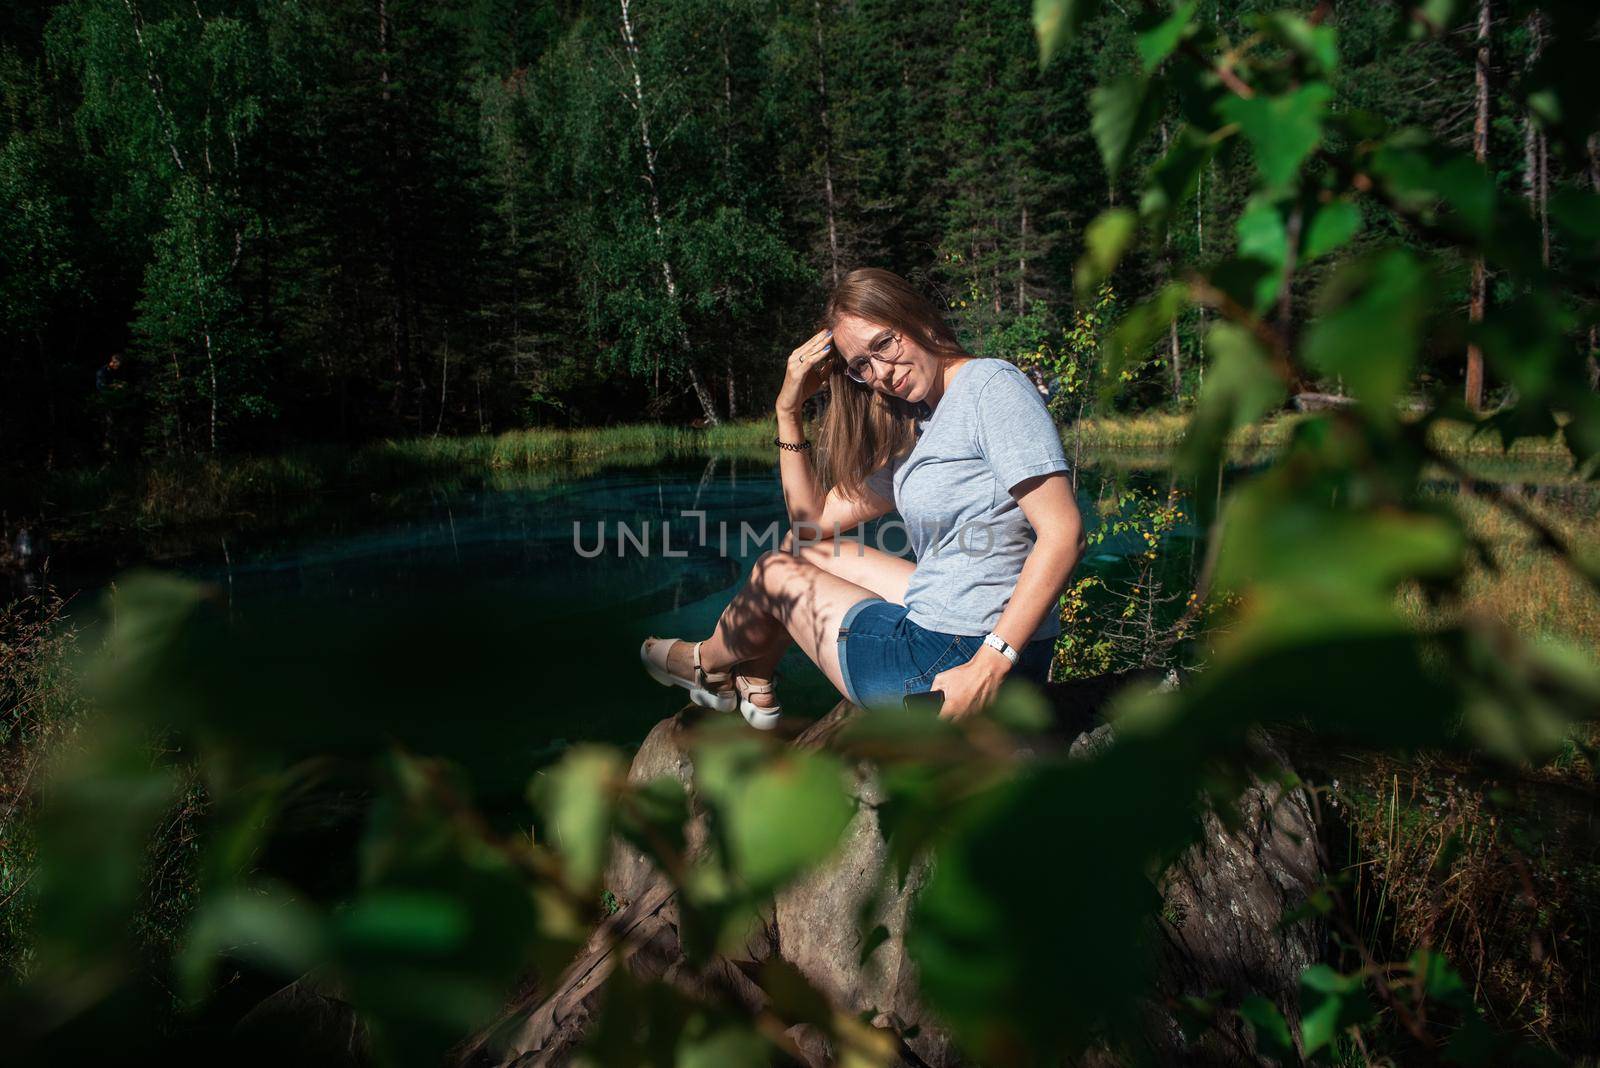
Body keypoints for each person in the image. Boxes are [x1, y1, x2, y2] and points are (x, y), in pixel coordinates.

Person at [640, 267, 1085, 728]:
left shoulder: (992, 387)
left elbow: (1064, 533)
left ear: (918, 319)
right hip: (957, 627)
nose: (881, 374)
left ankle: (706, 663)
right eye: (861, 367)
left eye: (883, 344)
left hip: (953, 659)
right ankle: (754, 674)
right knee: (801, 551)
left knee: (775, 572)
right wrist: (788, 412)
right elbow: (810, 526)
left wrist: (990, 664)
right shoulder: (923, 424)